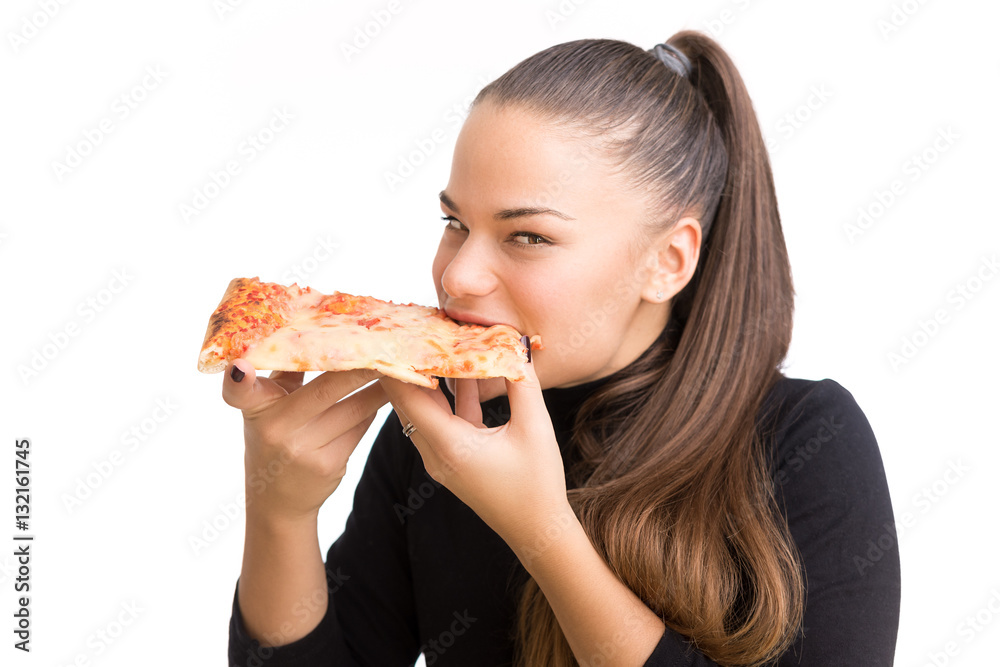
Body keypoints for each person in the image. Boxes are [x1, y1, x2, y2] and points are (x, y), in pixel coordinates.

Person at [224, 31, 900, 666]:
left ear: (667, 261)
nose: (457, 274)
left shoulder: (806, 440)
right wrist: (280, 510)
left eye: (528, 236)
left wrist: (540, 529)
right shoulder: (436, 434)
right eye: (455, 222)